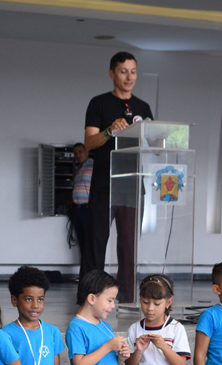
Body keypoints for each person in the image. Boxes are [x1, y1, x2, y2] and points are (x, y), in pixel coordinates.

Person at [83, 51, 153, 289]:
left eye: (133, 72)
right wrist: (109, 131)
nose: (129, 77)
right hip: (105, 182)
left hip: (132, 184)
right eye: (123, 72)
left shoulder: (143, 107)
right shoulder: (99, 103)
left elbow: (152, 140)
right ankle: (90, 293)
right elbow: (89, 143)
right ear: (112, 73)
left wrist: (157, 139)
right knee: (96, 240)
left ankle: (127, 295)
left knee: (129, 244)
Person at [70, 143, 93, 276]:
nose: (78, 155)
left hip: (87, 209)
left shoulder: (93, 166)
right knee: (82, 242)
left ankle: (89, 274)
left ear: (87, 151)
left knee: (88, 243)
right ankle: (84, 274)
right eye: (75, 153)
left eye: (80, 152)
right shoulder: (79, 168)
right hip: (77, 209)